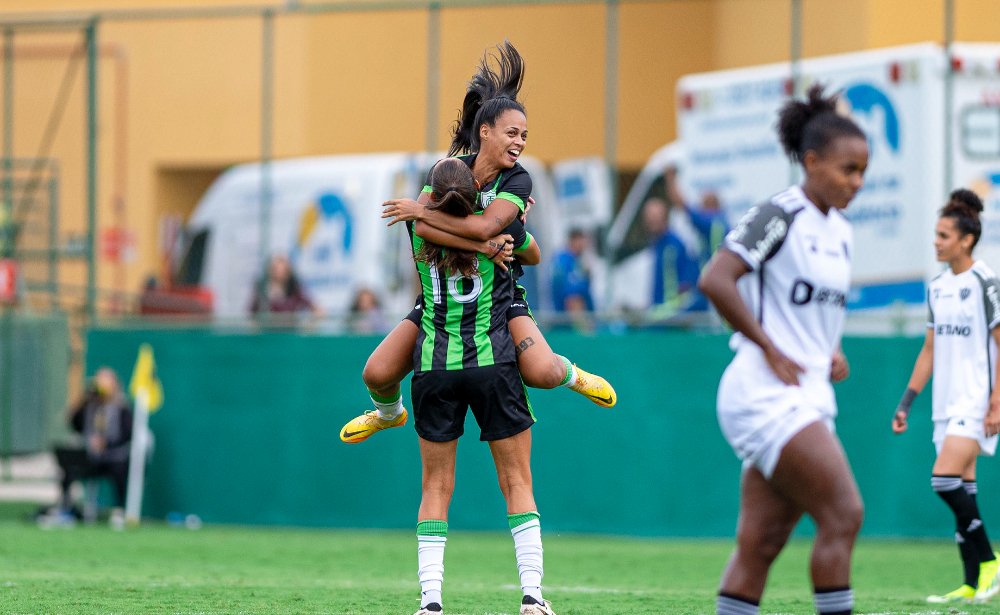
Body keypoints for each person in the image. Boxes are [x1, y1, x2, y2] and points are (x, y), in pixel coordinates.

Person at [340, 41, 615, 449]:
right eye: (512, 132)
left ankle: (572, 373)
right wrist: (460, 235)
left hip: (500, 299)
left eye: (524, 134)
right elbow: (427, 234)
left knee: (545, 374)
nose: (520, 141)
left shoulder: (517, 181)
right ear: (484, 132)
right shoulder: (450, 174)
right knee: (375, 373)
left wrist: (423, 211)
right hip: (443, 303)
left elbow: (516, 243)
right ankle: (389, 414)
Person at [697, 83, 868, 615]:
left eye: (863, 171)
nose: (857, 182)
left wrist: (830, 346)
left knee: (762, 543)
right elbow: (716, 279)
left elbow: (813, 302)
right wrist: (769, 345)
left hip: (807, 392)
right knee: (844, 512)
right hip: (764, 391)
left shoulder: (840, 230)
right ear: (811, 161)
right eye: (848, 170)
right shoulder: (779, 213)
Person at [407, 157, 555, 615]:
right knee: (516, 482)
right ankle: (532, 596)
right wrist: (513, 221)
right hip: (492, 363)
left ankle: (431, 601)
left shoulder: (419, 232)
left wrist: (420, 211)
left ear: (431, 198)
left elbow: (435, 221)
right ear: (476, 196)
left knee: (435, 487)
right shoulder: (500, 238)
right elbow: (531, 253)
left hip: (434, 366)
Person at [892, 188, 1000, 604]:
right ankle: (972, 584)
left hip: (976, 401)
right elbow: (929, 350)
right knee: (964, 491)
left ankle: (989, 559)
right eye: (935, 235)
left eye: (943, 235)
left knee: (943, 479)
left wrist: (996, 401)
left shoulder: (985, 282)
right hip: (945, 403)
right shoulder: (938, 287)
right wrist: (906, 401)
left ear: (966, 240)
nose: (936, 242)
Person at [52, 367, 133, 527]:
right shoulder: (89, 404)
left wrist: (107, 443)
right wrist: (83, 399)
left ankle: (119, 511)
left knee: (120, 470)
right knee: (69, 467)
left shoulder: (121, 406)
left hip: (113, 457)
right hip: (91, 458)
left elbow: (127, 434)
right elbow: (75, 423)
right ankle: (66, 508)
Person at [643, 196, 701, 316]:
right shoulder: (657, 245)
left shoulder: (674, 246)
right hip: (660, 312)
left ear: (665, 218)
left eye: (655, 217)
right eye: (649, 218)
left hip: (671, 316)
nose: (651, 221)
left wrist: (672, 309)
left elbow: (687, 284)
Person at [549, 228, 595, 331]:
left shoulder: (577, 261)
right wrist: (584, 330)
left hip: (573, 324)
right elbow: (573, 299)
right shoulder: (564, 261)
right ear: (573, 241)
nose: (583, 245)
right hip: (569, 327)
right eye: (581, 241)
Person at [247, 254, 320, 316]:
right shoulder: (262, 288)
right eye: (275, 269)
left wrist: (309, 326)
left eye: (282, 270)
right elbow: (252, 312)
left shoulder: (295, 288)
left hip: (289, 330)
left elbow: (316, 308)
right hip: (267, 330)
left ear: (288, 271)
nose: (279, 273)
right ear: (270, 270)